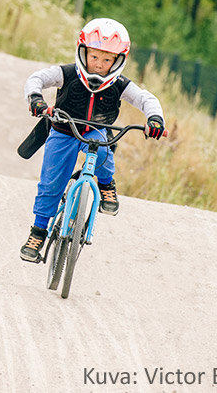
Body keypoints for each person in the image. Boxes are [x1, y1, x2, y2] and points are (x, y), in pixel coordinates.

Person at [19, 18, 166, 262]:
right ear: (82, 51)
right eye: (94, 57)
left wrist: (155, 120)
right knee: (50, 185)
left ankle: (106, 185)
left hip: (96, 131)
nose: (99, 65)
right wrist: (36, 98)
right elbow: (36, 79)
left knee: (104, 155)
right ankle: (38, 232)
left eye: (107, 60)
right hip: (63, 130)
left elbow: (145, 99)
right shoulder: (65, 73)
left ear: (118, 61)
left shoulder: (120, 85)